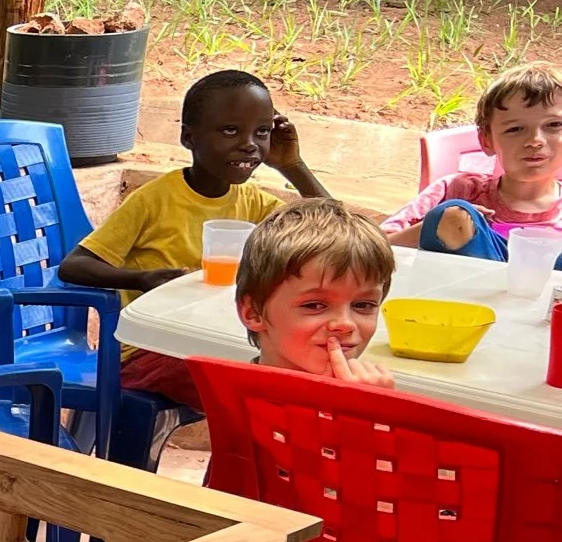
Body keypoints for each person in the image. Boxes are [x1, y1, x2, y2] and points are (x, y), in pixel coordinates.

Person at [60, 68, 332, 420]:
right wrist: (143, 279)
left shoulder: (254, 203)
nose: (249, 143)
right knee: (258, 391)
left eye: (261, 132)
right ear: (189, 137)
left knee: (295, 372)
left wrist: (293, 166)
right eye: (230, 130)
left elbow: (333, 232)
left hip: (218, 341)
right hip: (150, 353)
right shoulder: (155, 199)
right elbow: (74, 265)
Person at [381, 61, 562, 259]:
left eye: (554, 125)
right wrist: (435, 228)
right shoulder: (456, 189)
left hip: (549, 286)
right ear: (487, 141)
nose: (535, 140)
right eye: (515, 129)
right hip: (461, 287)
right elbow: (372, 248)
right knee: (454, 214)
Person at [231, 197, 398, 390]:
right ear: (253, 312)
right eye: (314, 305)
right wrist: (363, 412)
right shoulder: (237, 403)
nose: (345, 324)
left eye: (363, 305)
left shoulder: (372, 390)